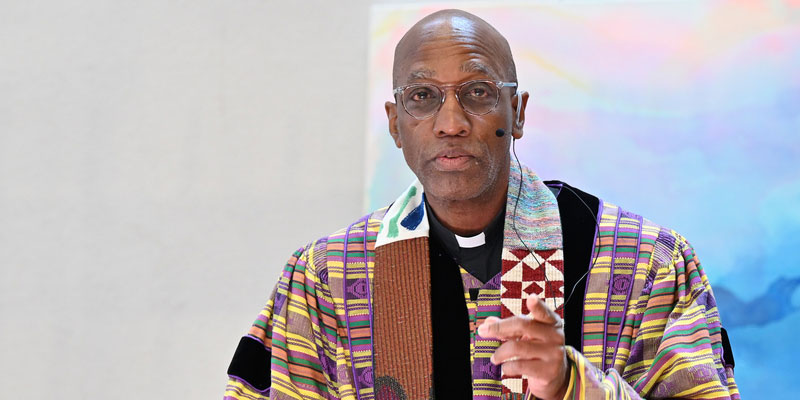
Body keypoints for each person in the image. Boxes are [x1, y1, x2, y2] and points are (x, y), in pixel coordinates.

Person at [224, 9, 739, 400]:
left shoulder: (648, 262)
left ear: (517, 113)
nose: (451, 122)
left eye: (477, 92)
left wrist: (571, 383)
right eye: (423, 96)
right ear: (394, 124)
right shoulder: (323, 278)